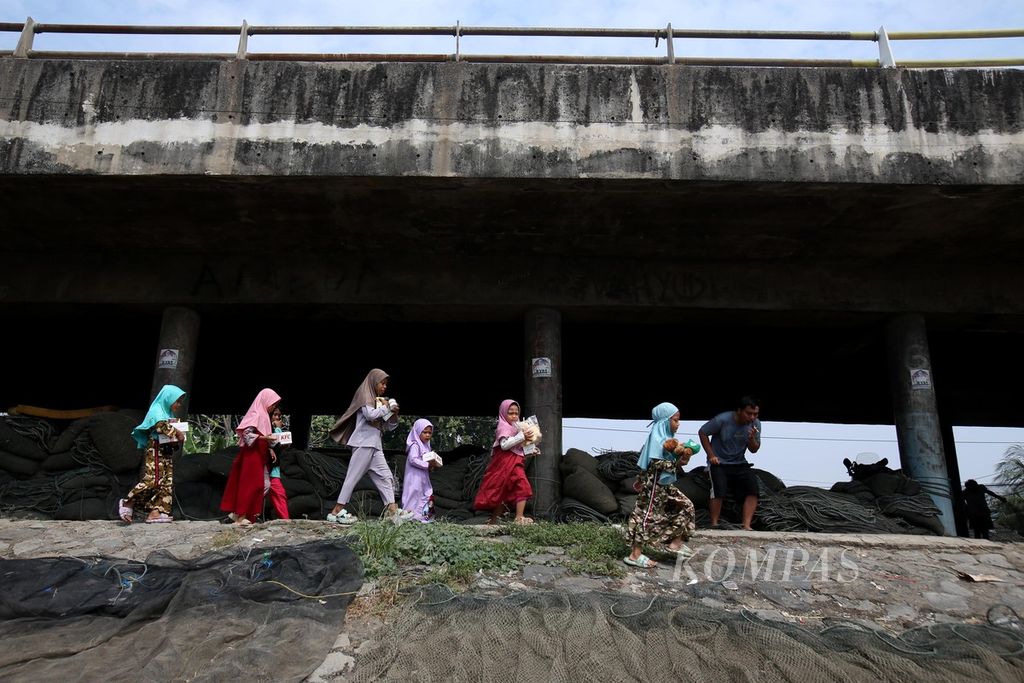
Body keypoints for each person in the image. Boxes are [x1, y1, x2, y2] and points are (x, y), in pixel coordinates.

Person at [624, 402, 698, 569]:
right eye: (676, 420)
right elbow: (657, 464)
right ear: (665, 421)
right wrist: (678, 461)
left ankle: (675, 543)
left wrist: (681, 458)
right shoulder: (658, 440)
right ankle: (635, 555)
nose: (678, 424)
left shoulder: (667, 440)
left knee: (686, 506)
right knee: (647, 517)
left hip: (664, 486)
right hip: (654, 488)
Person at [326, 369, 402, 524]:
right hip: (363, 442)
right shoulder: (364, 396)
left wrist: (393, 414)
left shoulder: (379, 401)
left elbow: (388, 426)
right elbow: (370, 415)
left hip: (375, 444)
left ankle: (392, 510)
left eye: (386, 384)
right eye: (382, 383)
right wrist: (387, 407)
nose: (384, 387)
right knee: (352, 477)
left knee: (385, 477)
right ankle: (336, 511)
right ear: (374, 381)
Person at [119, 384, 187, 524]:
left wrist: (177, 438)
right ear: (168, 398)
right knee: (153, 479)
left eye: (180, 402)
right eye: (177, 401)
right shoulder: (157, 410)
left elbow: (170, 431)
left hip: (166, 450)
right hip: (156, 449)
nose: (179, 405)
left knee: (166, 482)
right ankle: (128, 502)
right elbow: (160, 425)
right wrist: (178, 433)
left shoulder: (169, 414)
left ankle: (157, 512)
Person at [221, 388, 282, 526]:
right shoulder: (256, 414)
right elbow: (247, 436)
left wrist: (269, 448)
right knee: (249, 486)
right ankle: (241, 516)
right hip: (251, 456)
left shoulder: (265, 416)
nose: (273, 407)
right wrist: (265, 438)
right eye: (273, 403)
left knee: (262, 485)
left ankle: (240, 514)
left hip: (260, 455)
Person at [699, 396, 762, 530]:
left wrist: (751, 439)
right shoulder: (722, 419)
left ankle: (746, 525)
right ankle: (714, 523)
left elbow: (754, 449)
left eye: (755, 414)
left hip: (739, 463)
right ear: (739, 411)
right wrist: (711, 455)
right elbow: (703, 432)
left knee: (753, 490)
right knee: (718, 489)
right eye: (749, 413)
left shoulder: (755, 424)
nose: (752, 417)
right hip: (719, 463)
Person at [473, 399, 538, 525]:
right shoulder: (503, 427)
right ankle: (519, 518)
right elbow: (504, 445)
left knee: (509, 491)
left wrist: (531, 450)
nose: (514, 416)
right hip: (504, 464)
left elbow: (518, 448)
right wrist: (522, 436)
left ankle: (494, 520)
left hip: (515, 462)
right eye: (510, 413)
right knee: (518, 487)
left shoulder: (519, 428)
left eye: (516, 413)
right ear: (503, 413)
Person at [402, 418, 441, 522]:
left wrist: (433, 465)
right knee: (413, 496)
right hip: (414, 477)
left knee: (425, 495)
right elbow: (413, 459)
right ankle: (409, 519)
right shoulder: (415, 445)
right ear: (417, 431)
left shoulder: (426, 446)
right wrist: (427, 465)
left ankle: (423, 519)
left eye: (430, 432)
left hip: (423, 477)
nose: (427, 435)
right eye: (425, 432)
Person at [267, 406, 290, 520]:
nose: (277, 418)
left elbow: (278, 446)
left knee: (280, 494)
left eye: (279, 416)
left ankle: (285, 520)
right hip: (265, 467)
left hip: (274, 468)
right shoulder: (266, 428)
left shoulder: (276, 429)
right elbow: (271, 442)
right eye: (274, 415)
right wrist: (278, 429)